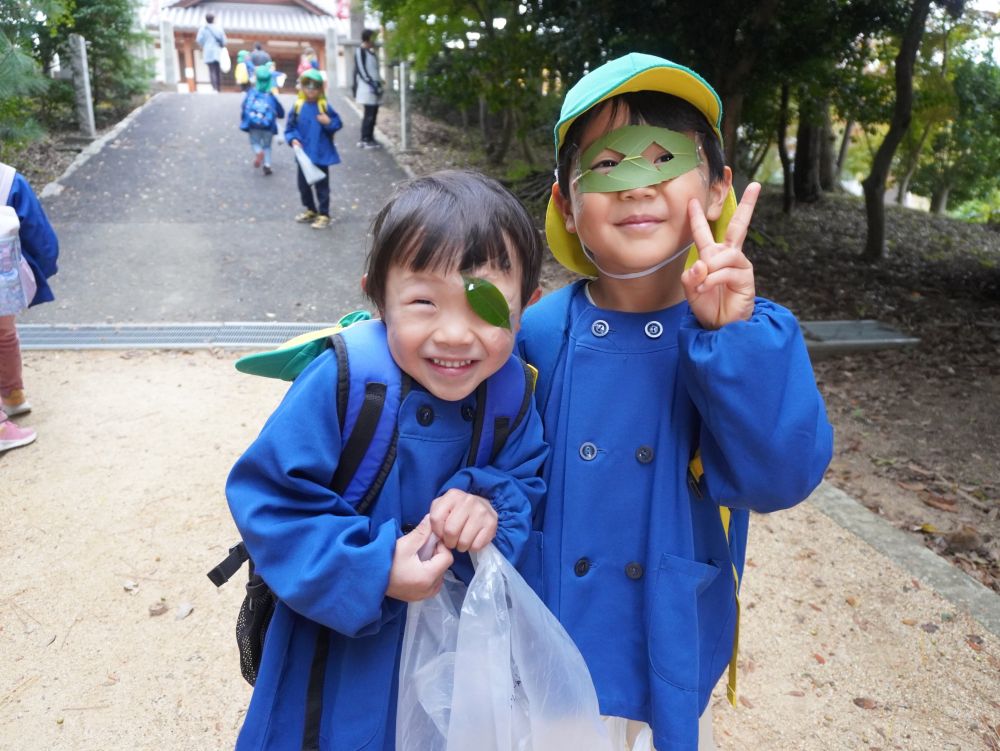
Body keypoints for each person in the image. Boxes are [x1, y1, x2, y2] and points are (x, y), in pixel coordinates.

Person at [516, 53, 834, 751]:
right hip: (547, 644)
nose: (638, 186)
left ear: (718, 189)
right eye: (606, 165)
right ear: (566, 203)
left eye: (664, 159)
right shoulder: (536, 333)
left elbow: (778, 477)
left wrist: (734, 339)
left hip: (671, 639)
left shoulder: (751, 334)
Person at [225, 170, 548, 750]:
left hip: (452, 655)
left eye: (487, 307)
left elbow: (526, 479)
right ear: (377, 293)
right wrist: (372, 569)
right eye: (423, 302)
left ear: (526, 308)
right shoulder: (343, 383)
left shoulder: (511, 394)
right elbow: (269, 500)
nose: (454, 334)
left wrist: (487, 503)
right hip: (335, 654)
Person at [0, 163, 58, 454]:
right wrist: (40, 271)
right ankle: (12, 397)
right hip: (2, 281)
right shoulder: (7, 179)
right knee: (5, 333)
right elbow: (39, 235)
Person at [285, 69, 342, 229]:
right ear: (302, 87)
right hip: (303, 155)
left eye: (314, 87)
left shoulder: (324, 106)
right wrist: (293, 139)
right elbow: (290, 128)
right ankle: (311, 209)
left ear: (320, 89)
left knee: (322, 186)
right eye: (307, 86)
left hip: (321, 154)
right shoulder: (298, 106)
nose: (311, 90)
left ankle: (324, 213)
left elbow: (337, 124)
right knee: (303, 186)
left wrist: (328, 122)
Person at [239, 66, 285, 176]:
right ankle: (267, 164)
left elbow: (244, 106)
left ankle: (258, 152)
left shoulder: (251, 93)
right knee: (267, 146)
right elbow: (280, 111)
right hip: (268, 126)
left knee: (255, 142)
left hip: (253, 125)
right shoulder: (270, 96)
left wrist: (244, 120)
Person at [354, 28, 384, 149]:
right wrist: (371, 83)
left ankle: (370, 137)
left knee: (373, 113)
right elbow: (361, 70)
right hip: (367, 88)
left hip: (375, 88)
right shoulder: (360, 51)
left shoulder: (372, 53)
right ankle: (365, 138)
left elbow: (375, 70)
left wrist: (379, 82)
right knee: (369, 114)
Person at [195, 13, 226, 92]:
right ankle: (219, 88)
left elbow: (199, 40)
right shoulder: (219, 28)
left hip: (208, 52)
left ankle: (214, 88)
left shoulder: (203, 29)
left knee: (211, 70)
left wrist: (204, 44)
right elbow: (224, 41)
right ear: (214, 19)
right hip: (217, 51)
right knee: (218, 70)